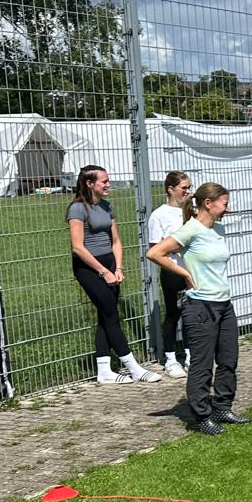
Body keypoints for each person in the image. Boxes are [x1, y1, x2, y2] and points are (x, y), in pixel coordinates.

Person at [145, 182, 247, 433]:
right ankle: (201, 416)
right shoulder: (191, 229)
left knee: (228, 358)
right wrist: (184, 273)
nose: (228, 208)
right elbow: (155, 253)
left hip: (224, 304)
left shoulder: (218, 229)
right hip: (200, 305)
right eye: (224, 203)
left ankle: (223, 407)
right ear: (208, 204)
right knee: (202, 364)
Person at [67, 165, 161, 385]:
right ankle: (134, 367)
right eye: (104, 181)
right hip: (88, 268)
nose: (108, 184)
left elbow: (116, 241)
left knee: (105, 315)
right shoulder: (77, 209)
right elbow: (78, 248)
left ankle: (104, 370)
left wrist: (117, 268)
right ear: (90, 183)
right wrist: (103, 271)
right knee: (111, 314)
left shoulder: (106, 206)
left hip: (110, 264)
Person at [146, 170, 192, 379]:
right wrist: (176, 246)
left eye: (189, 187)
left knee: (192, 313)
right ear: (171, 189)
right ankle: (171, 359)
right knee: (174, 313)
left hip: (192, 269)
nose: (187, 192)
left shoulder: (191, 212)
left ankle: (191, 355)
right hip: (173, 269)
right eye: (183, 188)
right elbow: (155, 249)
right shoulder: (159, 215)